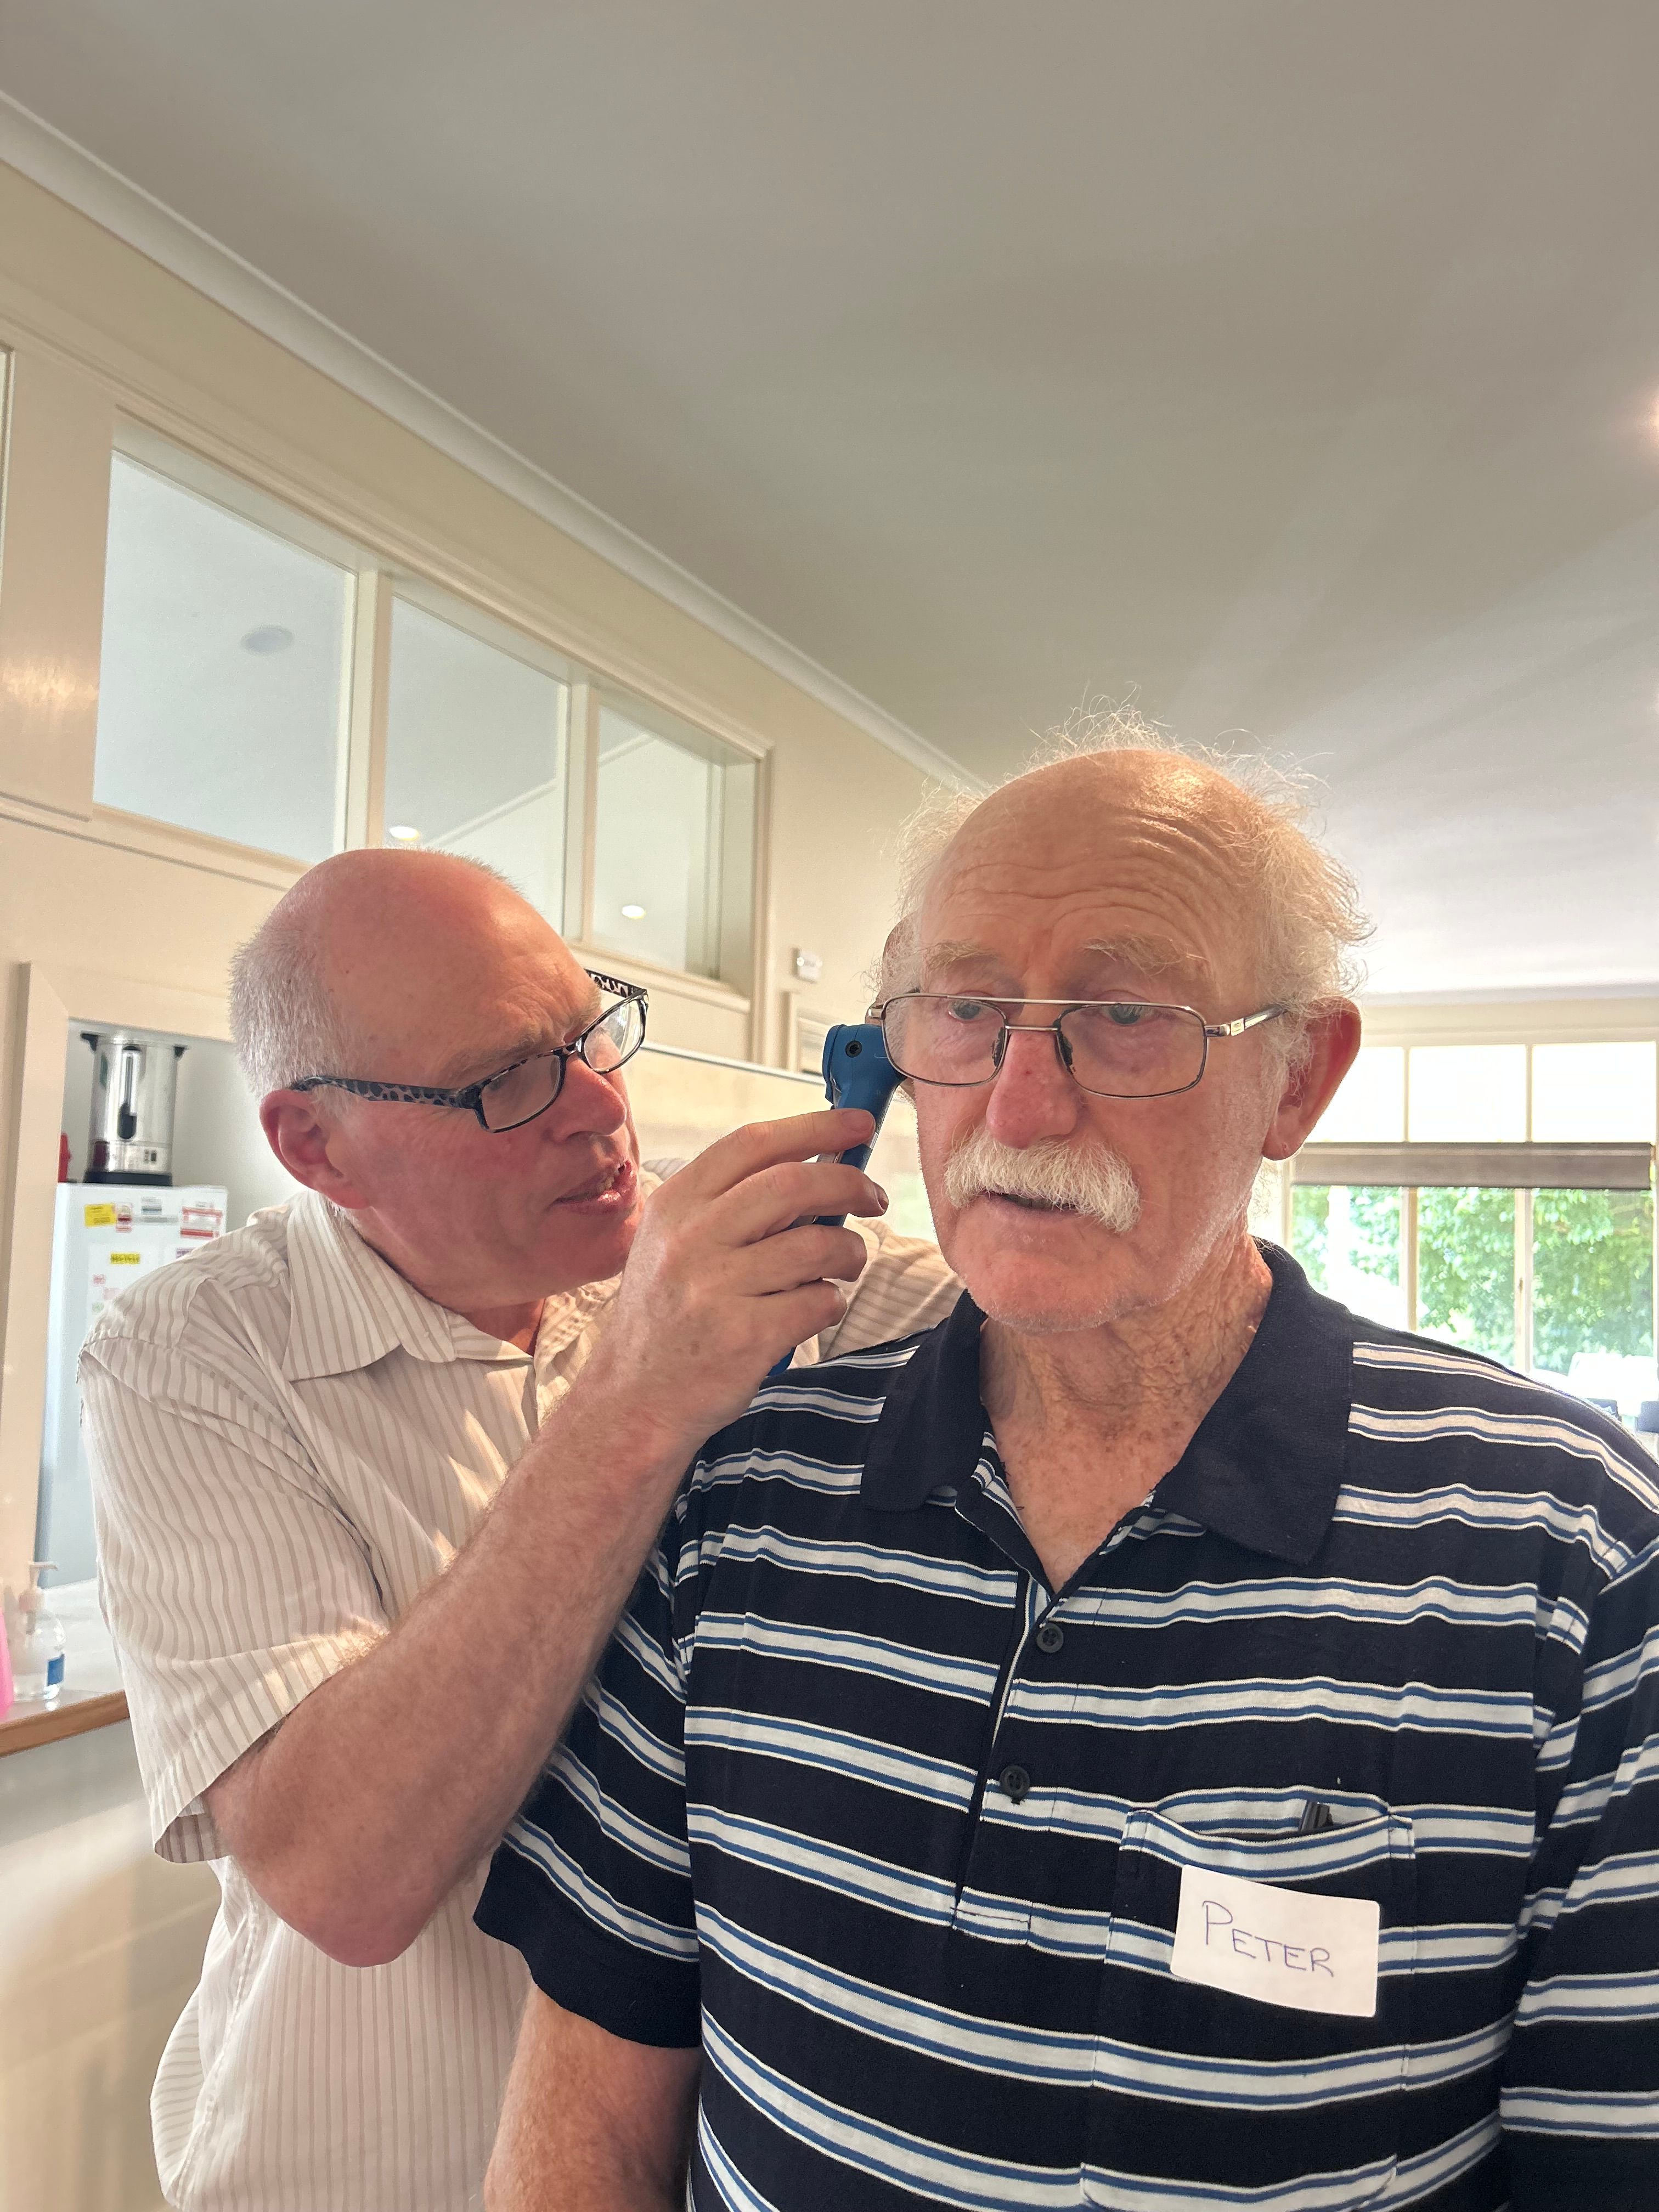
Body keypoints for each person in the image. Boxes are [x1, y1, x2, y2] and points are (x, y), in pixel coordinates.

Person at [477, 725, 1659, 2212]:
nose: (1021, 1110)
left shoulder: (1574, 1548)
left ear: (1298, 1077)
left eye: (1125, 1016)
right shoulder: (737, 1500)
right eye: (967, 1012)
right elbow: (593, 2084)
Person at [82, 848, 958, 2212]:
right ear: (316, 1146)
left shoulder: (683, 1254)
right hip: (355, 2171)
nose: (603, 1110)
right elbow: (345, 1877)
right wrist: (632, 1400)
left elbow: (1042, 1307)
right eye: (505, 1080)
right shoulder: (189, 1355)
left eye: (587, 1035)